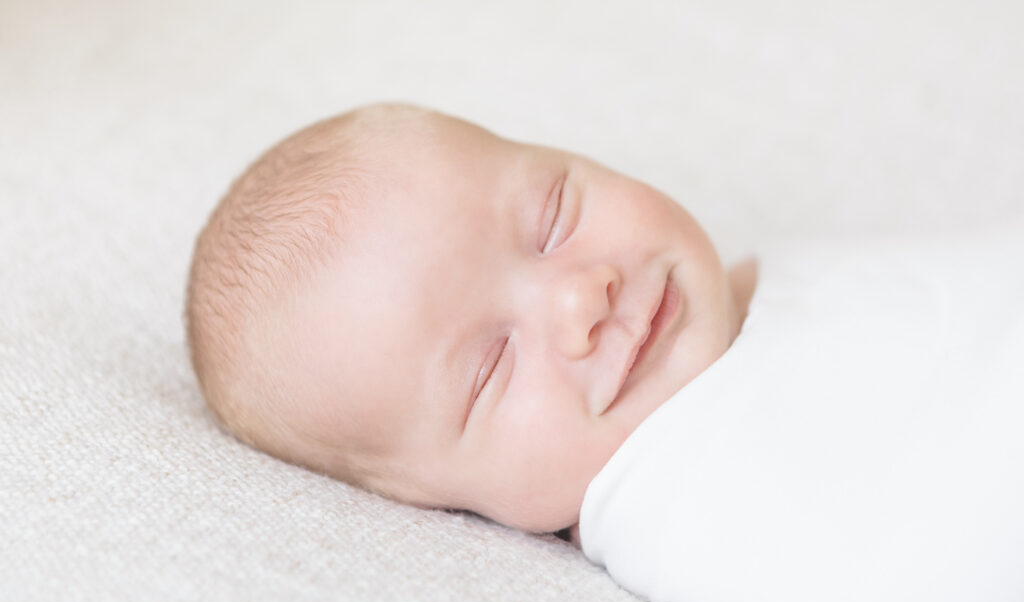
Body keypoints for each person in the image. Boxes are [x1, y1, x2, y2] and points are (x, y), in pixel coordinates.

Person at [185, 102, 757, 538]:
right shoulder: (698, 526)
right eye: (493, 369)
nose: (582, 300)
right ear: (438, 503)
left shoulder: (780, 272)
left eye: (553, 216)